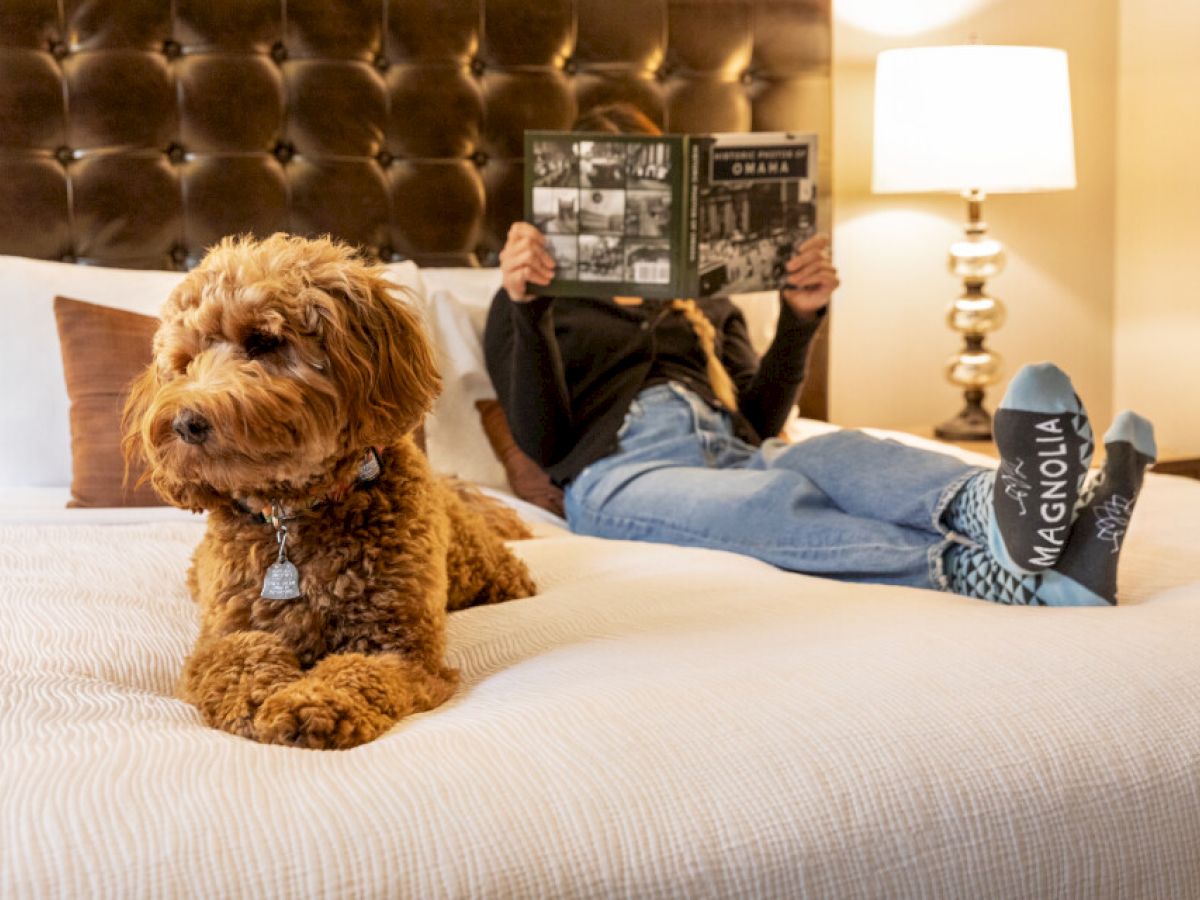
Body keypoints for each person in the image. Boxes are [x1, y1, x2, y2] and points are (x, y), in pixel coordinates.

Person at [483, 104, 1157, 606]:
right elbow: (544, 445)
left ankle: (1007, 509)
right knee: (771, 501)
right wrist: (529, 309)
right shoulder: (527, 304)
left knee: (848, 455)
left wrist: (799, 319)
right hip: (621, 476)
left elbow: (759, 419)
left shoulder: (706, 302)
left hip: (742, 449)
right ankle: (1015, 571)